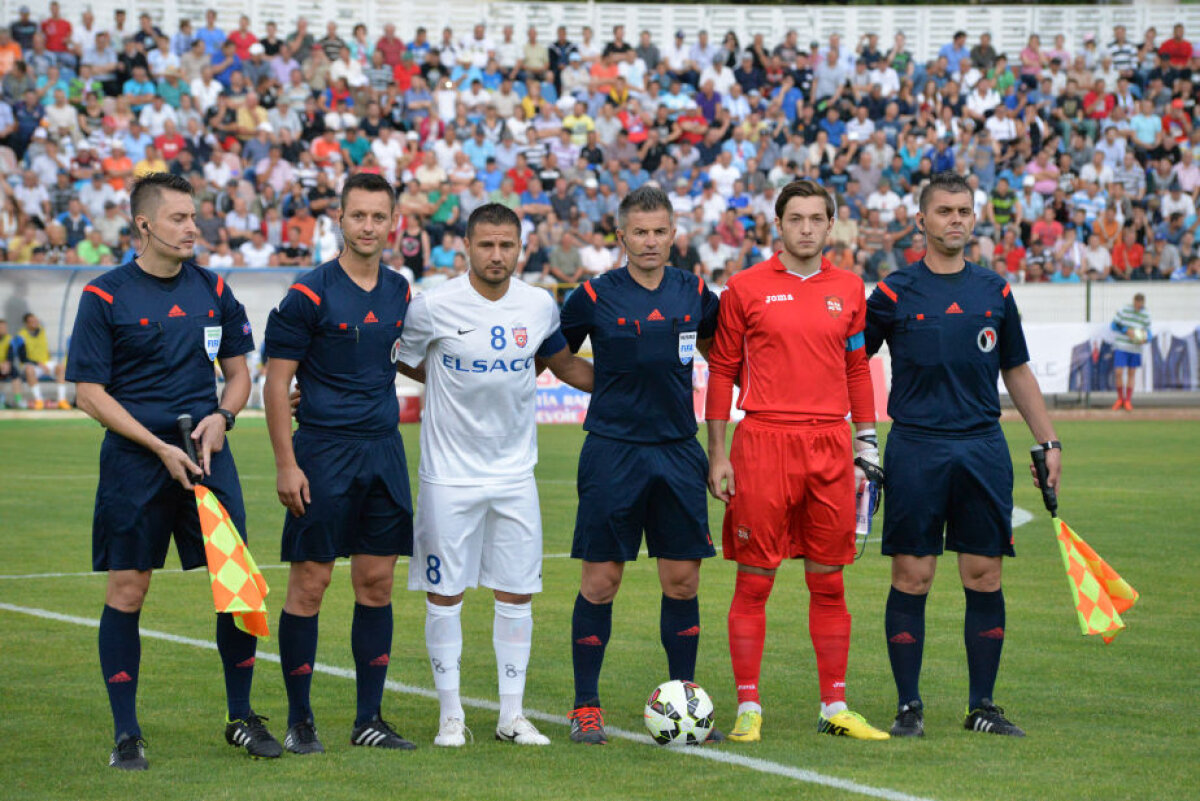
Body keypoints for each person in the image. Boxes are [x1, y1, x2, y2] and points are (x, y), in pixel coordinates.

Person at [65, 173, 280, 770]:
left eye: (195, 217)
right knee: (128, 590)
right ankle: (127, 733)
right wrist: (156, 445)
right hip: (137, 463)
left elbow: (239, 375)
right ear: (144, 225)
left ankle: (241, 717)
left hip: (208, 457)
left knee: (236, 587)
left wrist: (224, 417)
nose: (193, 228)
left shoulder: (215, 289)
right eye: (181, 218)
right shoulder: (104, 296)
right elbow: (89, 392)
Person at [864, 171, 1062, 738]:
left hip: (981, 447)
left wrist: (1049, 441)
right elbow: (855, 365)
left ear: (973, 220)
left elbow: (1016, 369)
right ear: (921, 221)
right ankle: (909, 708)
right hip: (917, 447)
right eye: (945, 211)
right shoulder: (894, 292)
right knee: (912, 575)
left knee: (984, 574)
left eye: (964, 211)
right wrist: (857, 437)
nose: (956, 219)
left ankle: (982, 706)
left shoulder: (994, 290)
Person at [392, 203, 593, 748]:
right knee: (444, 593)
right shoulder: (432, 306)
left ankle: (510, 715)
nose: (497, 255)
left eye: (507, 245)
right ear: (466, 247)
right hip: (447, 475)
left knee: (517, 592)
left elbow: (558, 362)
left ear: (521, 247)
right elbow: (406, 360)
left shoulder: (538, 306)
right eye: (487, 245)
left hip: (514, 474)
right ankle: (451, 715)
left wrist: (635, 385)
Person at [704, 179, 888, 743]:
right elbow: (720, 370)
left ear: (830, 226)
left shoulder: (851, 289)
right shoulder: (744, 287)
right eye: (796, 219)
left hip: (831, 446)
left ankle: (834, 705)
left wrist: (866, 442)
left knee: (829, 582)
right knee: (755, 580)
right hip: (763, 442)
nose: (806, 228)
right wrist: (717, 454)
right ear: (778, 226)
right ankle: (748, 708)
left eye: (816, 219)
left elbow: (857, 368)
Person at [558, 185, 722, 745]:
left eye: (660, 231)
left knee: (682, 582)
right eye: (640, 232)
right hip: (612, 451)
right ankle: (585, 707)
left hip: (678, 451)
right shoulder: (593, 295)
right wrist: (604, 385)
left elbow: (718, 355)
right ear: (621, 236)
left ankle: (685, 702)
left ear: (673, 234)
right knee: (601, 582)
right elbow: (557, 355)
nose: (650, 241)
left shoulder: (696, 291)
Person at [263, 173, 416, 755]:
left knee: (377, 583)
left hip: (384, 449)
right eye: (359, 216)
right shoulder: (309, 292)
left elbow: (406, 360)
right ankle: (300, 720)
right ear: (341, 220)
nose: (369, 227)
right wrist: (286, 464)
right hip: (322, 450)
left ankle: (369, 718)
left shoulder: (401, 290)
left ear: (393, 221)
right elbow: (277, 386)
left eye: (379, 217)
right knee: (311, 582)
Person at [13, 312, 70, 409]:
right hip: (31, 365)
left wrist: (46, 363)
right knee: (29, 370)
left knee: (60, 368)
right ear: (27, 324)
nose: (35, 322)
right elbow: (23, 358)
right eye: (32, 321)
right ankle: (39, 400)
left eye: (36, 320)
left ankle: (62, 400)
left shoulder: (42, 330)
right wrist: (39, 364)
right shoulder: (21, 336)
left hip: (45, 363)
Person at [1110, 292, 1150, 411]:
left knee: (1131, 373)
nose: (1138, 306)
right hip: (1122, 346)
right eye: (1136, 304)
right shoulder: (1124, 310)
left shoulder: (1146, 314)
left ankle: (1127, 400)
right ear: (1134, 302)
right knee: (1118, 372)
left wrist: (1145, 338)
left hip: (1135, 348)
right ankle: (1119, 398)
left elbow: (1148, 332)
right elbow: (1113, 325)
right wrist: (1126, 330)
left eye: (1140, 305)